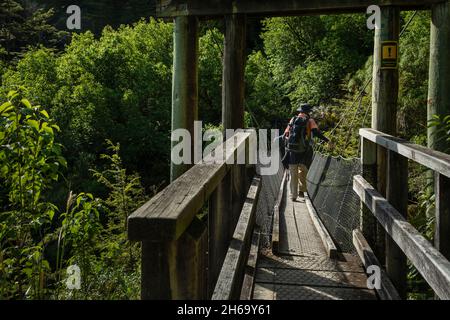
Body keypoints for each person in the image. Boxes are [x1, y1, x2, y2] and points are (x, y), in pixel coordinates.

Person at [284, 103, 330, 201]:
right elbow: (316, 133)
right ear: (308, 112)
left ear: (300, 111)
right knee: (303, 170)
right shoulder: (310, 121)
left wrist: (288, 142)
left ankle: (293, 195)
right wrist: (327, 140)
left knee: (293, 173)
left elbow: (286, 133)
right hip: (305, 151)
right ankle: (301, 191)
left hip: (292, 150)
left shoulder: (293, 119)